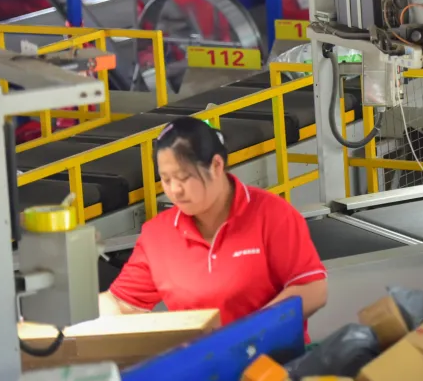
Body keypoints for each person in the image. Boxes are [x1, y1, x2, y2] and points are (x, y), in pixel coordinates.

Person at [99, 117, 328, 340]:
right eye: (166, 180)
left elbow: (312, 289)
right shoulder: (158, 236)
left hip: (274, 359)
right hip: (200, 361)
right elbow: (119, 302)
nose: (175, 190)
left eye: (184, 177)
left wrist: (249, 334)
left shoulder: (270, 214)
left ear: (216, 165)